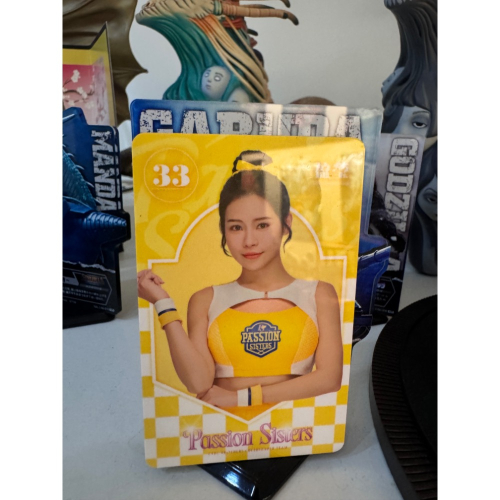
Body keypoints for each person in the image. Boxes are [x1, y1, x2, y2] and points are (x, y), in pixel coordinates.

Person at [137, 151, 343, 413]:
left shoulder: (319, 294)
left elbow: (330, 378)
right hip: (219, 429)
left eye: (262, 225)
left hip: (291, 428)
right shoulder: (205, 299)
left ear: (286, 223)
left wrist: (241, 398)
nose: (249, 241)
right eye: (236, 227)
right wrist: (163, 304)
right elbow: (198, 383)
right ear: (223, 229)